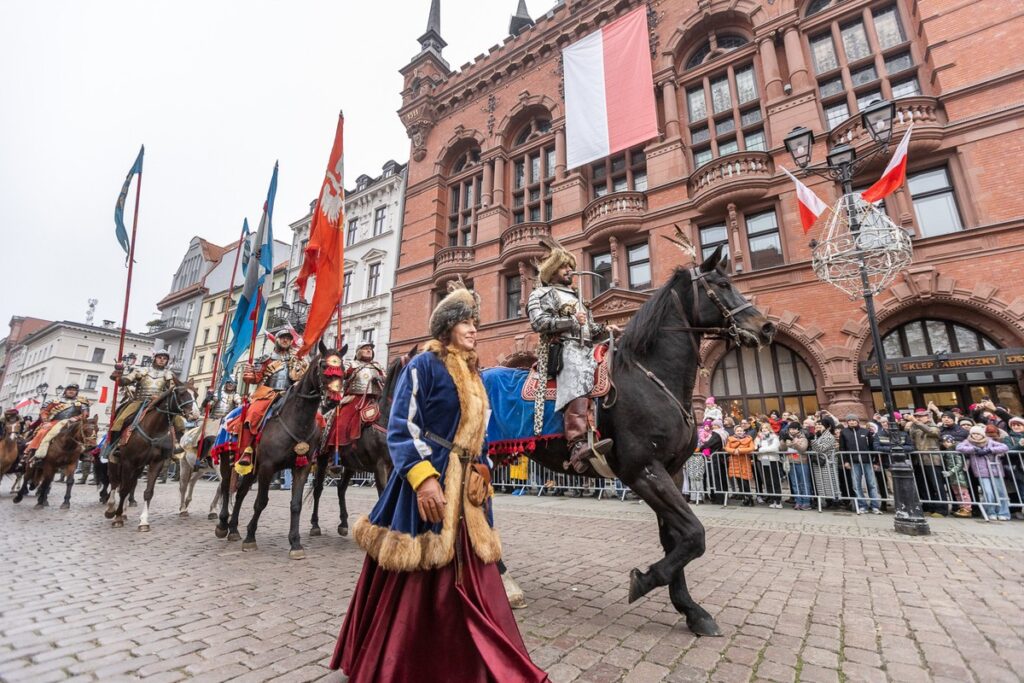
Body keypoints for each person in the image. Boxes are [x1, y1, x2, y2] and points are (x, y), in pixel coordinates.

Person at [330, 280, 549, 682]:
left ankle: (470, 659)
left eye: (475, 323)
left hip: (467, 490)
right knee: (416, 574)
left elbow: (477, 429)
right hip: (426, 481)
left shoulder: (474, 373)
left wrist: (483, 466)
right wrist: (424, 479)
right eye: (465, 322)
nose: (473, 329)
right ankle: (403, 660)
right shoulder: (423, 365)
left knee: (475, 575)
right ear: (446, 326)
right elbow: (401, 427)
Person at [527, 243, 619, 474]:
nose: (569, 271)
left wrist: (607, 329)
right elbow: (538, 323)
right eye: (564, 267)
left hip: (586, 346)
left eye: (570, 267)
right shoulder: (541, 294)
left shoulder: (577, 297)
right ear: (552, 271)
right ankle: (577, 444)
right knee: (578, 369)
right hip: (563, 349)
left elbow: (589, 328)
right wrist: (570, 322)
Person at [233, 328, 309, 475]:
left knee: (315, 417)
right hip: (268, 393)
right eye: (283, 338)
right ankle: (247, 450)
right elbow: (254, 379)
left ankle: (313, 451)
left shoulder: (297, 360)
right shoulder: (266, 359)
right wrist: (249, 374)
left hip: (290, 394)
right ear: (277, 340)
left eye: (288, 338)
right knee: (252, 414)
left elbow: (301, 379)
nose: (286, 340)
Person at [108, 348, 179, 450]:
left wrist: (160, 397)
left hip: (159, 404)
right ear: (154, 358)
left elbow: (173, 390)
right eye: (159, 357)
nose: (162, 360)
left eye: (164, 358)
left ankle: (176, 446)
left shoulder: (170, 375)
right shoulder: (142, 370)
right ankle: (115, 445)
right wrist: (119, 375)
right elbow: (126, 381)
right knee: (121, 420)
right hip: (139, 401)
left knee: (179, 422)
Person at [331, 342, 386, 450]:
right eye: (365, 348)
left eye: (370, 349)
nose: (369, 350)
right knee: (342, 423)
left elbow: (387, 378)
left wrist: (381, 378)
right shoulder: (352, 364)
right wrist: (338, 363)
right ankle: (339, 451)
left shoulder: (378, 366)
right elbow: (341, 375)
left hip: (376, 399)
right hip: (355, 399)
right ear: (358, 352)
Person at [24, 384, 90, 464]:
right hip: (55, 422)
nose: (71, 391)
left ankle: (84, 453)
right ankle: (34, 452)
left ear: (76, 392)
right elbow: (44, 411)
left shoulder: (81, 403)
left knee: (86, 433)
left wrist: (76, 418)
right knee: (42, 431)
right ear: (65, 391)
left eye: (73, 390)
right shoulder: (54, 401)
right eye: (69, 389)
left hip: (73, 423)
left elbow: (85, 414)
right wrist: (46, 421)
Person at [957, 425, 1011, 521]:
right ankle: (991, 512)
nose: (976, 436)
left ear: (982, 434)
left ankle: (1003, 512)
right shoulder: (968, 442)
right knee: (988, 492)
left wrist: (990, 450)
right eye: (973, 434)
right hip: (981, 472)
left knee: (1000, 493)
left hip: (995, 470)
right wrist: (974, 450)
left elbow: (1005, 447)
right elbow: (959, 447)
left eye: (978, 434)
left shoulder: (990, 441)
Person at [909, 406, 948, 517]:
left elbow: (932, 432)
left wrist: (916, 422)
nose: (918, 418)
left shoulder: (934, 427)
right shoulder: (915, 427)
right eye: (916, 416)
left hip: (932, 459)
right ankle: (928, 506)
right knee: (923, 485)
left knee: (936, 485)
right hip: (918, 460)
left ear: (928, 417)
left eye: (921, 416)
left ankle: (941, 508)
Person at [839, 414, 879, 514]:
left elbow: (872, 447)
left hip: (867, 461)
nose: (851, 422)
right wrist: (846, 461)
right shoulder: (844, 432)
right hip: (854, 462)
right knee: (856, 485)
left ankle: (875, 506)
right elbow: (842, 448)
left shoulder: (865, 431)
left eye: (853, 420)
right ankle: (862, 505)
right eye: (849, 420)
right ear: (847, 422)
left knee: (872, 484)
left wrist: (875, 461)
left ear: (857, 421)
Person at [810, 416, 842, 507]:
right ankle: (826, 500)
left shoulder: (829, 436)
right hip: (820, 463)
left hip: (828, 463)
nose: (819, 426)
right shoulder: (820, 435)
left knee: (830, 482)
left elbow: (820, 448)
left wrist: (813, 439)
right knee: (821, 482)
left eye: (821, 425)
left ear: (828, 426)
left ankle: (834, 500)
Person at [781, 423, 813, 510]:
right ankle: (798, 501)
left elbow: (803, 449)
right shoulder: (788, 438)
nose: (792, 430)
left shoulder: (803, 438)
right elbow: (782, 449)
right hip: (791, 462)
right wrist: (783, 441)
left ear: (798, 429)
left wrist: (794, 443)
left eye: (794, 429)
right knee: (795, 483)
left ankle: (806, 502)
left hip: (801, 462)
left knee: (804, 483)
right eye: (791, 429)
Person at [725, 424, 755, 506]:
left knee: (745, 481)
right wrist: (734, 451)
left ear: (743, 431)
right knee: (739, 481)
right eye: (737, 431)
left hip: (744, 461)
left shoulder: (748, 439)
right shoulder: (730, 439)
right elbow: (727, 448)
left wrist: (740, 450)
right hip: (735, 462)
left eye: (740, 431)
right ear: (735, 431)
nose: (739, 432)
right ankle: (744, 498)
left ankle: (749, 497)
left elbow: (752, 448)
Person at [755, 423, 782, 508]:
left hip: (773, 460)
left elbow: (774, 448)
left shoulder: (774, 437)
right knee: (767, 480)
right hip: (763, 460)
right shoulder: (759, 438)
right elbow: (755, 446)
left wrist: (762, 450)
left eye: (766, 428)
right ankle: (772, 499)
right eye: (762, 428)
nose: (764, 429)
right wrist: (759, 448)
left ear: (769, 428)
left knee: (775, 480)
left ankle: (778, 501)